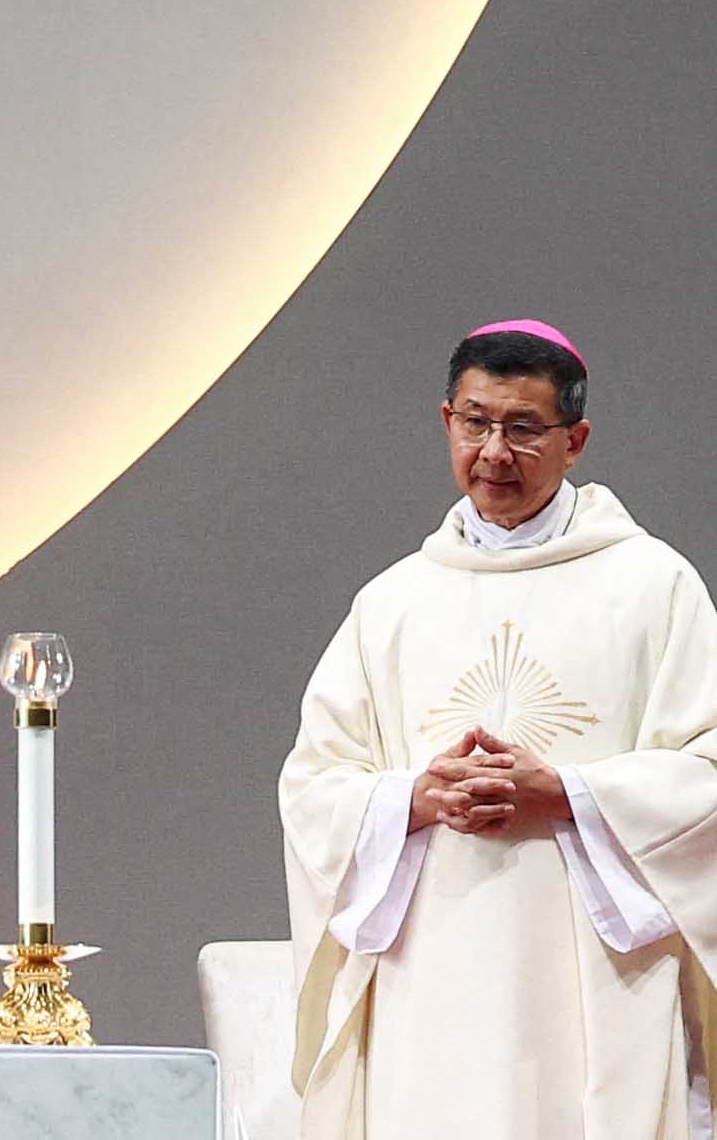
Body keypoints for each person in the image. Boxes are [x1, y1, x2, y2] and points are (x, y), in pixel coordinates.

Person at [281, 320, 717, 1138]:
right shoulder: (395, 602)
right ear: (447, 422)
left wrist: (568, 793)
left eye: (522, 428)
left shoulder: (655, 587)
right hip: (428, 975)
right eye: (475, 423)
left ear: (575, 440)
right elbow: (313, 786)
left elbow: (709, 777)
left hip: (597, 973)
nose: (494, 452)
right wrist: (414, 796)